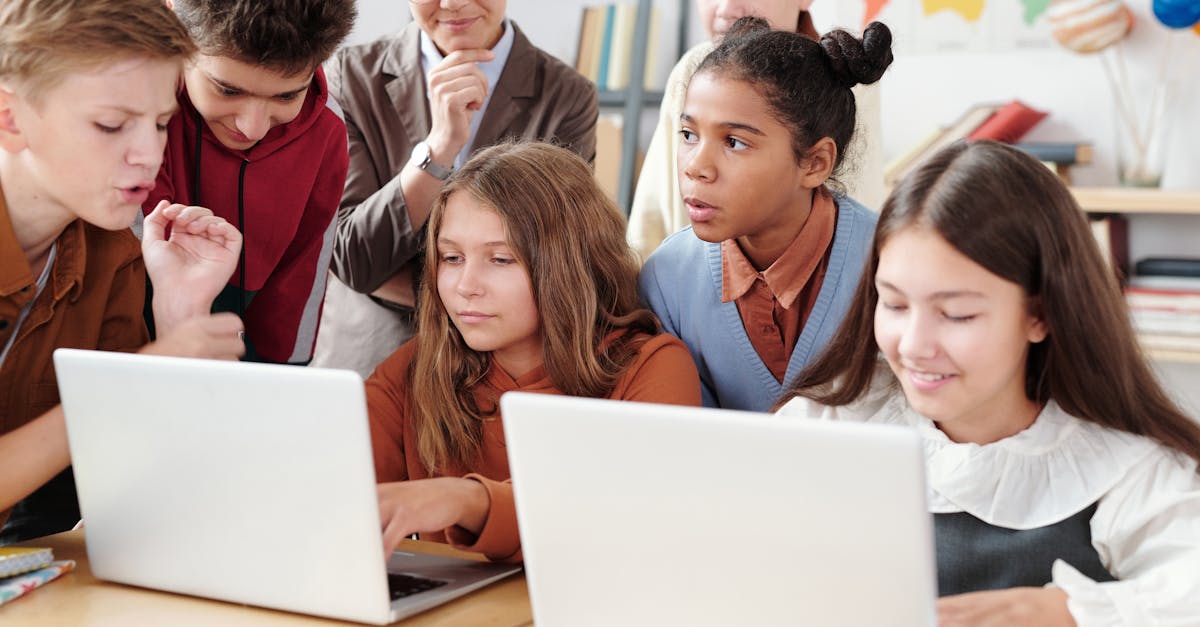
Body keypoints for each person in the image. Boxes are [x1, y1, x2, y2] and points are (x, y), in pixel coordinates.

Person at [776, 140, 1200, 626]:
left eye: (956, 314)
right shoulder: (831, 419)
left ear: (1038, 315)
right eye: (893, 304)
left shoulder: (1128, 469)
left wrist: (1074, 612)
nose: (914, 345)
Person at [367, 142, 701, 561]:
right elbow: (335, 486)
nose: (466, 285)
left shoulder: (652, 367)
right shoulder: (417, 367)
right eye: (451, 257)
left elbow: (621, 519)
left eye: (501, 260)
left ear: (568, 265)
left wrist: (468, 501)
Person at [0, 0, 245, 543]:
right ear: (10, 119)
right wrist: (129, 382)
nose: (147, 155)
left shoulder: (115, 252)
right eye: (111, 125)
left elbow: (141, 477)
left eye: (160, 124)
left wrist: (179, 314)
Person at [313, 0, 599, 378]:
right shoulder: (349, 75)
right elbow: (353, 257)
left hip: (504, 368)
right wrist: (438, 148)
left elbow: (554, 263)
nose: (452, 3)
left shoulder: (566, 96)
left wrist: (397, 278)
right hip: (373, 358)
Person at [638, 18, 889, 411]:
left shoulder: (887, 266)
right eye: (688, 135)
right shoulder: (667, 280)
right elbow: (682, 441)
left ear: (815, 163)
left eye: (734, 142)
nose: (696, 167)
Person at [144, 0, 356, 364]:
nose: (252, 128)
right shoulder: (136, 100)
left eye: (287, 95)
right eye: (228, 90)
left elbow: (298, 285)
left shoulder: (327, 131)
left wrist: (279, 381)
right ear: (175, 26)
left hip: (243, 343)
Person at [626, 0, 885, 262]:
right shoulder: (693, 67)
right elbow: (650, 223)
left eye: (734, 141)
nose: (726, 8)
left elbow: (856, 234)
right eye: (688, 135)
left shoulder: (844, 82)